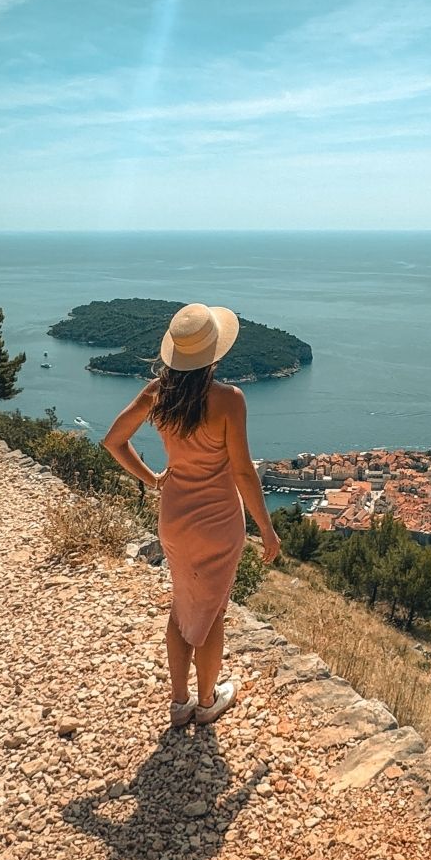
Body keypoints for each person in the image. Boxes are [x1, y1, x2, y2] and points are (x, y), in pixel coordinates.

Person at [101, 302, 281, 727]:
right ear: (214, 354)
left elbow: (113, 441)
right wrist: (268, 530)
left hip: (175, 519)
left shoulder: (156, 394)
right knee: (213, 611)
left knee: (182, 608)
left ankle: (178, 703)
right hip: (219, 524)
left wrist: (152, 478)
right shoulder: (228, 400)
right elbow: (241, 471)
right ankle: (205, 703)